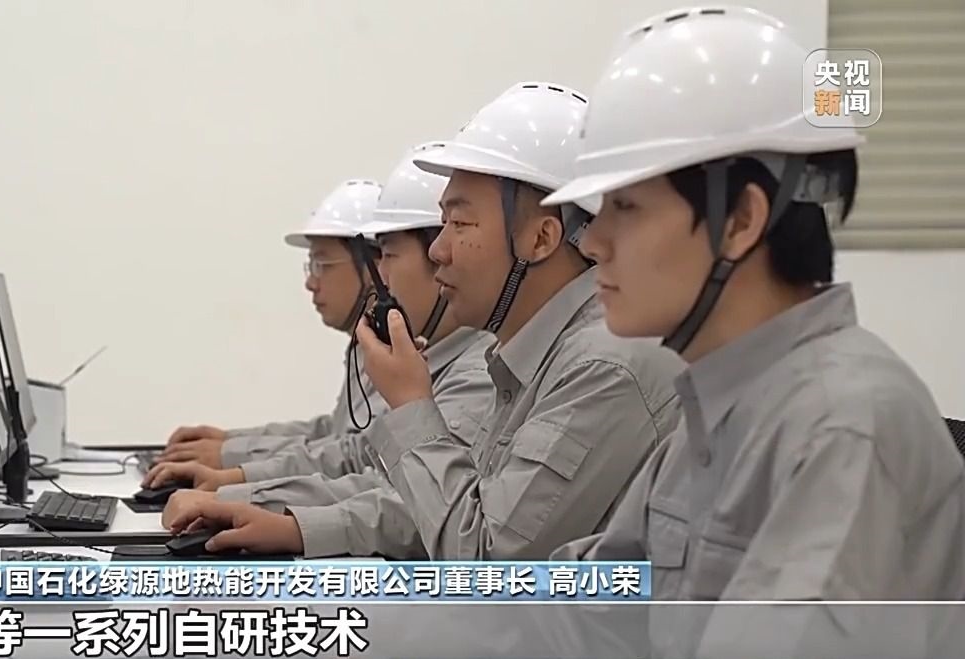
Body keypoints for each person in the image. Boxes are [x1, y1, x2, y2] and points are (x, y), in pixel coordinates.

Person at [539, 5, 965, 607]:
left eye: (626, 207)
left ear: (741, 220)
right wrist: (411, 599)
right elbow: (596, 598)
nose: (593, 241)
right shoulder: (720, 407)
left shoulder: (840, 428)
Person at [169, 83, 685, 560]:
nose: (440, 251)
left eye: (460, 223)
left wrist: (411, 404)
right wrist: (296, 525)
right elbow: (449, 507)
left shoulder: (602, 367)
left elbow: (485, 560)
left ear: (541, 238)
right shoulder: (531, 358)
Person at [148, 144, 497, 559]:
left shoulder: (477, 374)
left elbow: (414, 503)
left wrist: (247, 494)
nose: (381, 278)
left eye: (387, 255)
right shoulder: (417, 356)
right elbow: (351, 446)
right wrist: (233, 461)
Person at [157, 180, 391, 470]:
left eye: (322, 265)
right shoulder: (368, 345)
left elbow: (355, 456)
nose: (310, 283)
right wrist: (230, 441)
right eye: (310, 267)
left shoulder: (400, 353)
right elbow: (334, 432)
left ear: (375, 269)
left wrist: (230, 461)